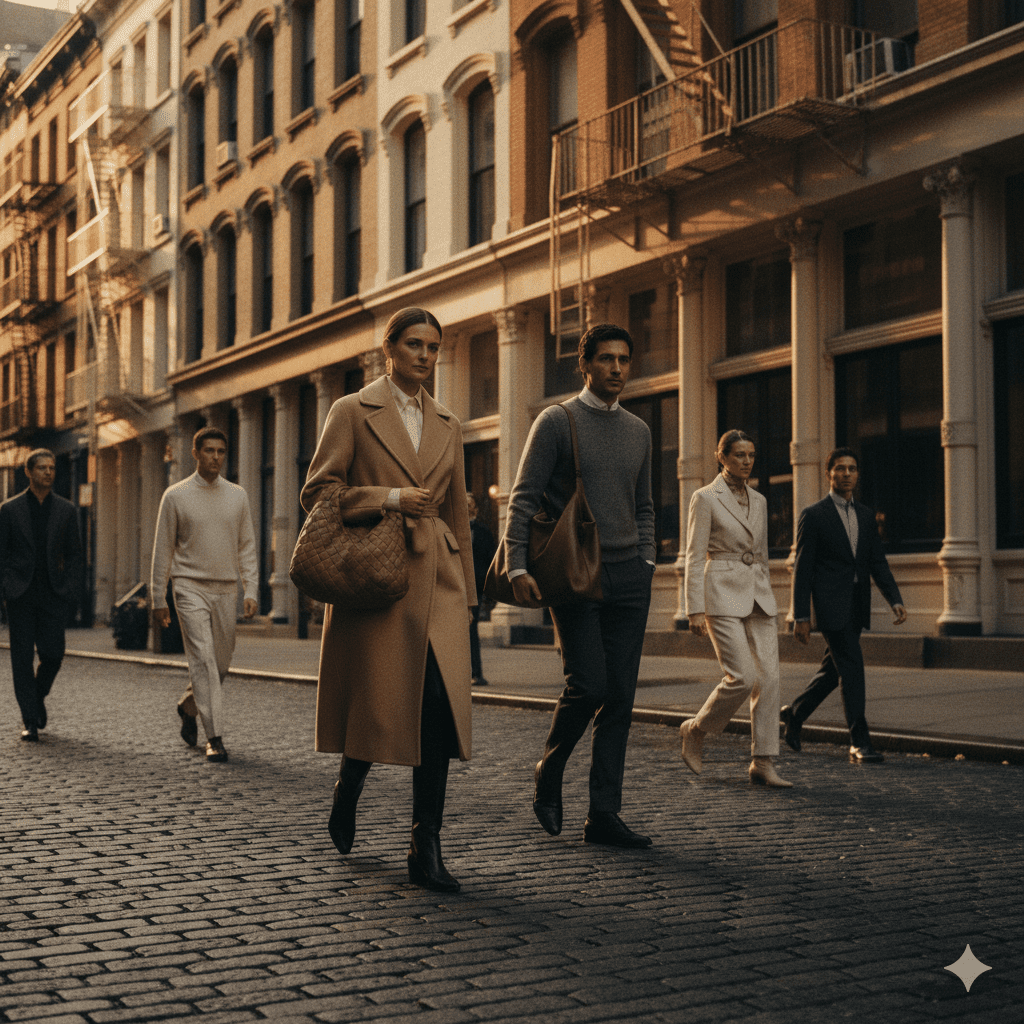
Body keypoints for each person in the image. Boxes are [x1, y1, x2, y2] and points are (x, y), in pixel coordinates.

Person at [302, 306, 476, 893]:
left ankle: (424, 843)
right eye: (414, 345)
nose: (425, 356)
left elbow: (457, 511)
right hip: (378, 582)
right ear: (389, 350)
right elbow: (318, 493)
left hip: (439, 584)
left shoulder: (450, 421)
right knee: (379, 707)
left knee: (435, 711)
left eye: (433, 347)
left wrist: (469, 594)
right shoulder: (351, 410)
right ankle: (348, 785)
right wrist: (389, 497)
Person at [507, 323, 656, 849]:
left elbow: (644, 504)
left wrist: (648, 559)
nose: (617, 368)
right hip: (575, 573)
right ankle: (549, 770)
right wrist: (517, 566)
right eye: (607, 358)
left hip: (629, 577)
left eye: (624, 359)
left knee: (619, 697)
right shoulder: (556, 421)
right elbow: (523, 499)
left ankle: (604, 814)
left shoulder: (638, 429)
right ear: (585, 363)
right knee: (588, 685)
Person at [679, 430, 791, 788]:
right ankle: (696, 729)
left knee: (770, 678)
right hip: (720, 591)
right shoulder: (705, 497)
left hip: (758, 594)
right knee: (742, 675)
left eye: (751, 455)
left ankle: (763, 760)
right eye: (739, 454)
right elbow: (695, 556)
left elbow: (762, 554)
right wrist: (693, 607)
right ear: (721, 457)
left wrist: (770, 593)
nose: (746, 461)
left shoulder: (759, 499)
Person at [784, 447, 907, 764]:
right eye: (840, 468)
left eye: (852, 468)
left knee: (832, 670)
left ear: (858, 474)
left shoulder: (867, 516)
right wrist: (800, 615)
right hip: (829, 606)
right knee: (852, 667)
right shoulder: (814, 515)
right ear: (829, 474)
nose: (847, 474)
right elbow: (803, 568)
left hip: (856, 605)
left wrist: (894, 599)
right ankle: (859, 741)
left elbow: (876, 563)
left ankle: (795, 714)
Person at [150, 427, 258, 763]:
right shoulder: (176, 495)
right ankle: (215, 737)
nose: (215, 457)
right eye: (209, 450)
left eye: (221, 451)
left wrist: (251, 588)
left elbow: (247, 545)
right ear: (195, 453)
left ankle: (188, 705)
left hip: (226, 588)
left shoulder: (238, 495)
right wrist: (158, 598)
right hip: (188, 587)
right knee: (204, 661)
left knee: (222, 663)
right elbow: (162, 549)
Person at [0, 449, 83, 741]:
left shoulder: (66, 510)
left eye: (51, 468)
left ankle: (36, 695)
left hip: (52, 593)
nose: (48, 472)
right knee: (21, 659)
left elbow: (75, 555)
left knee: (53, 653)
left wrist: (71, 588)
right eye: (42, 468)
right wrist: (5, 589)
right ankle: (29, 720)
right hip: (20, 594)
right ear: (29, 472)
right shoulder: (9, 510)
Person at [467, 493, 496, 687]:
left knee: (471, 629)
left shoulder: (484, 532)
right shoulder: (450, 528)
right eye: (464, 504)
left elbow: (490, 560)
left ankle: (477, 673)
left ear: (476, 509)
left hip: (475, 587)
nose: (467, 507)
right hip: (455, 586)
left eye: (470, 504)